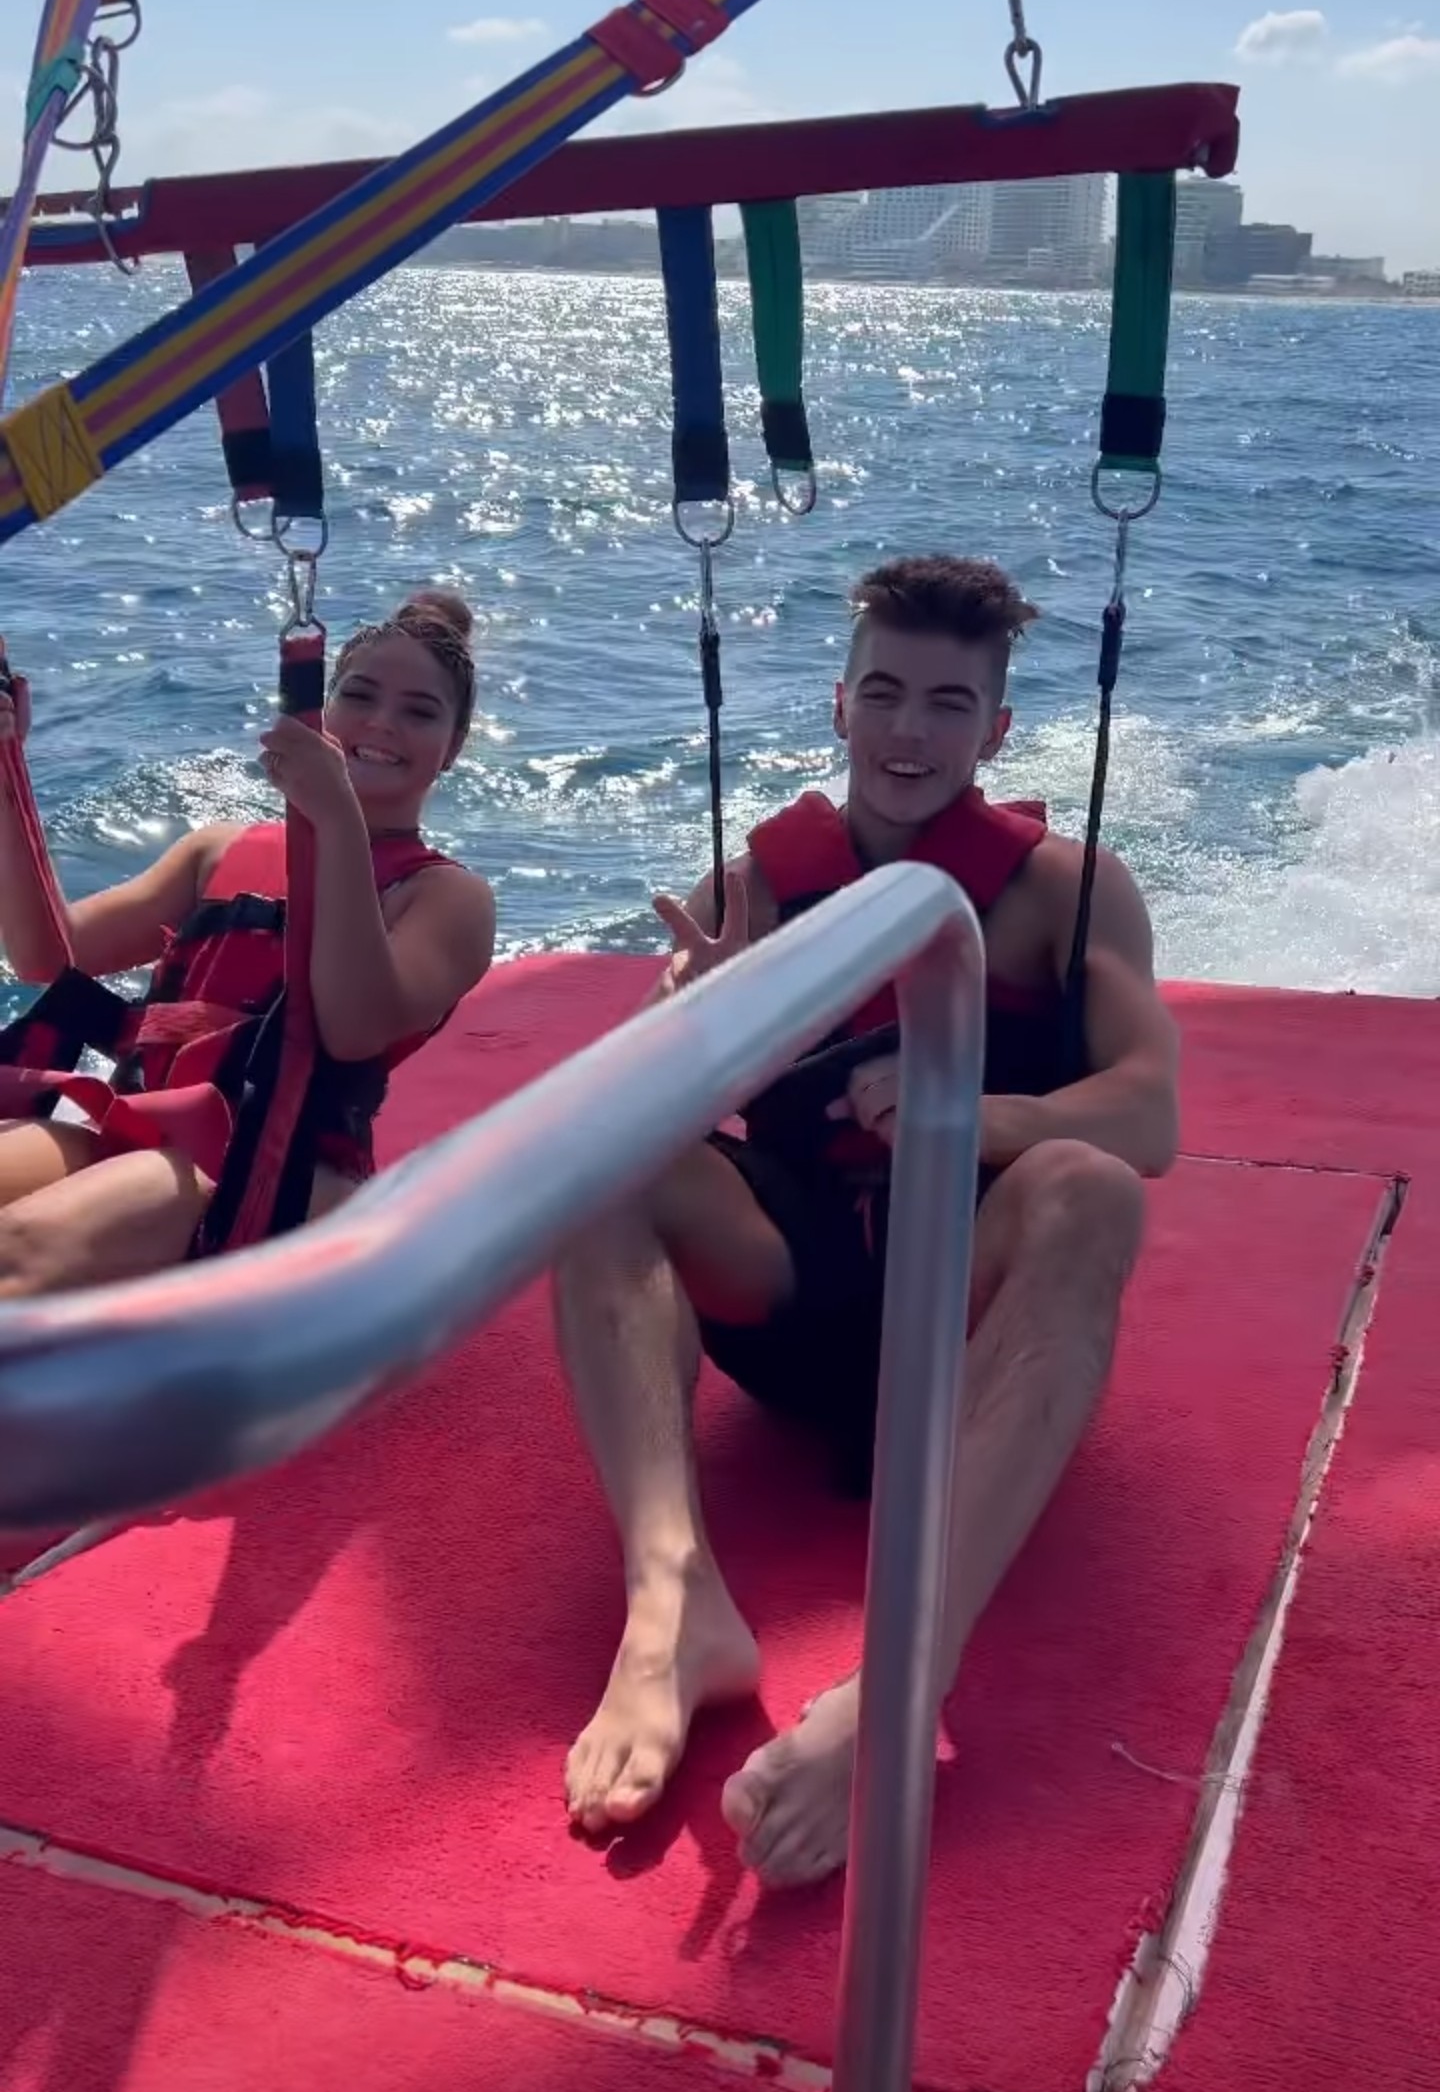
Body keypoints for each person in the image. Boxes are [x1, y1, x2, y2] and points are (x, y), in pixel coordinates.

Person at [552, 553, 1179, 1889]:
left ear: (996, 730)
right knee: (606, 1153)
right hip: (798, 1296)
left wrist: (969, 1112)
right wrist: (708, 1023)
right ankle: (672, 1599)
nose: (909, 730)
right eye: (884, 693)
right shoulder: (759, 885)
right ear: (840, 706)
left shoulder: (1069, 893)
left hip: (966, 1322)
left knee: (1092, 1186)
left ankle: (897, 1689)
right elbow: (646, 1101)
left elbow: (1150, 1114)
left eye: (949, 703)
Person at [0, 587, 496, 1296]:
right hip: (136, 1123)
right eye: (359, 695)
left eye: (420, 712)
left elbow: (352, 1027)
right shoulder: (218, 851)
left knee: (14, 1247)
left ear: (453, 747)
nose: (383, 723)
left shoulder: (447, 897)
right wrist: (7, 768)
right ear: (323, 712)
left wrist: (337, 820)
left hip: (281, 1171)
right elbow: (48, 956)